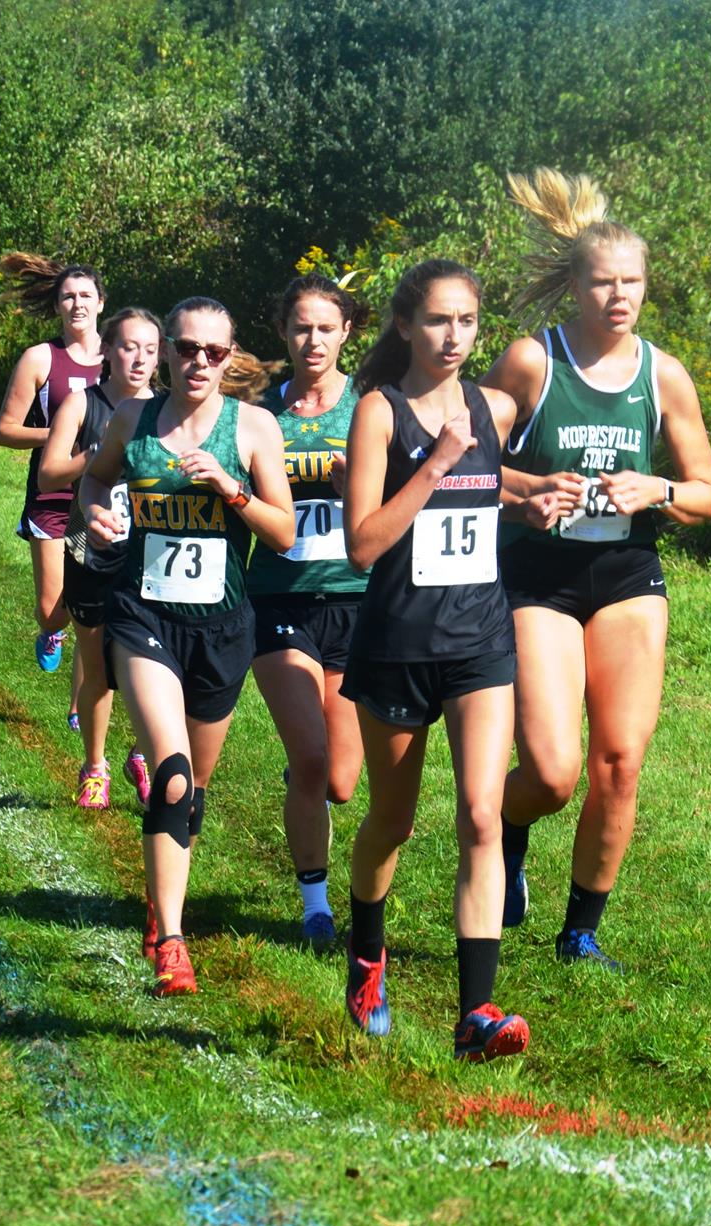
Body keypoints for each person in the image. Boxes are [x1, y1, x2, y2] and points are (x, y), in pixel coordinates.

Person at [485, 168, 711, 967]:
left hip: (625, 574)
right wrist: (527, 492)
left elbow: (707, 494)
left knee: (619, 764)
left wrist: (659, 489)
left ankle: (580, 933)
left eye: (632, 282)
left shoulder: (663, 374)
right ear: (575, 285)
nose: (619, 297)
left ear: (647, 286)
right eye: (602, 282)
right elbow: (462, 461)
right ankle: (505, 826)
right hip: (538, 578)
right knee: (552, 774)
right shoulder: (532, 361)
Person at [339, 259, 530, 1063]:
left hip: (480, 640)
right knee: (393, 821)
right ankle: (366, 952)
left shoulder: (494, 407)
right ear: (406, 326)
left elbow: (486, 490)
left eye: (467, 321)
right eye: (439, 321)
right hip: (398, 643)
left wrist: (532, 497)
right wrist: (435, 463)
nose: (455, 336)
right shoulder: (379, 413)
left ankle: (474, 1013)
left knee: (482, 816)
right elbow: (362, 545)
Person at [79, 298, 293, 995]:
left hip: (223, 629)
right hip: (143, 617)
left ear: (230, 358)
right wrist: (94, 513)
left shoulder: (253, 428)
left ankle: (159, 902)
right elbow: (95, 478)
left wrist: (232, 489)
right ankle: (172, 941)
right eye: (187, 348)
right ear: (167, 350)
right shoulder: (132, 419)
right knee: (169, 774)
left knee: (191, 795)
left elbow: (283, 533)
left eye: (214, 352)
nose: (199, 361)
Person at [245, 276, 370, 950]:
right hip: (280, 598)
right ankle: (315, 908)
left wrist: (361, 489)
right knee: (315, 758)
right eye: (301, 327)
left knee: (341, 783)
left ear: (346, 331)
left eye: (326, 328)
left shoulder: (370, 408)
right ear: (283, 332)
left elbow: (403, 501)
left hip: (357, 600)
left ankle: (305, 778)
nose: (313, 340)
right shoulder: (259, 414)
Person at [36, 307, 162, 809]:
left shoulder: (169, 410)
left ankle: (142, 754)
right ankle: (94, 767)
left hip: (151, 554)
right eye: (129, 347)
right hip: (89, 549)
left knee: (163, 664)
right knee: (98, 669)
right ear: (107, 350)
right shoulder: (81, 403)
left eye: (150, 350)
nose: (140, 359)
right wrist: (95, 458)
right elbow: (48, 475)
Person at [0, 253, 105, 709]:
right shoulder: (41, 358)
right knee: (52, 609)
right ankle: (52, 632)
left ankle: (81, 706)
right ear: (58, 305)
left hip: (103, 496)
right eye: (68, 297)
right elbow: (5, 430)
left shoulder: (121, 357)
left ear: (101, 303)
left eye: (86, 296)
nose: (78, 304)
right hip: (53, 492)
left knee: (94, 607)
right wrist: (62, 435)